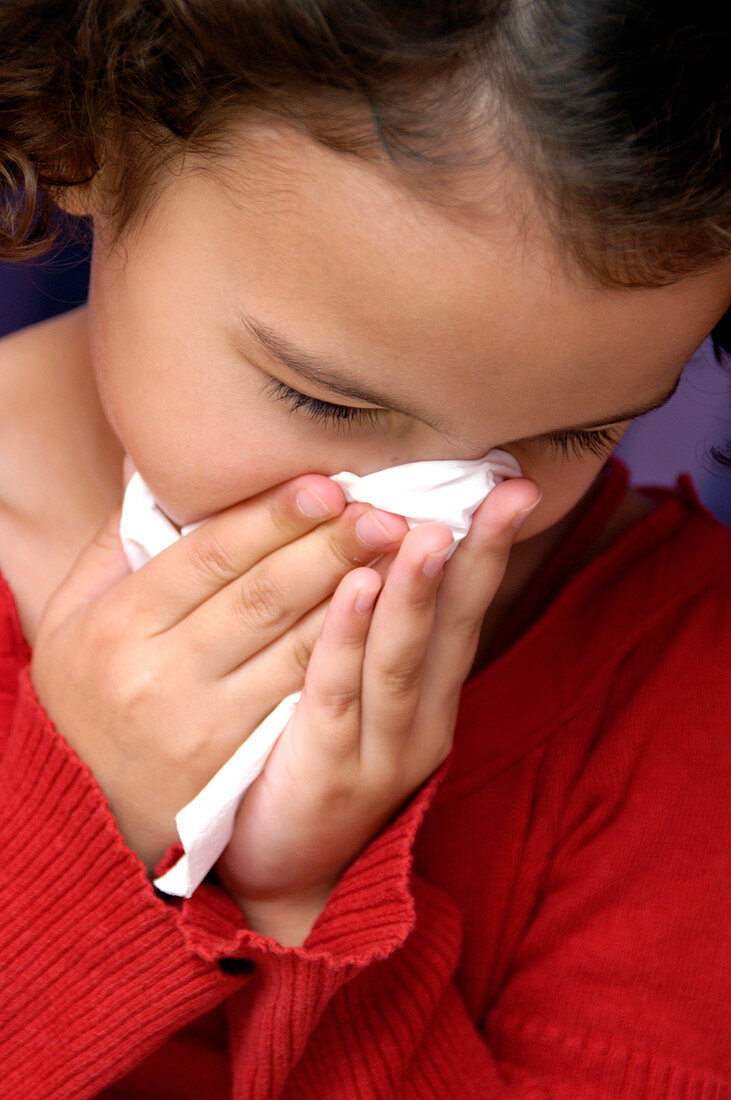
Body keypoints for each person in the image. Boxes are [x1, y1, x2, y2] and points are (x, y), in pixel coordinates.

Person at [0, 2, 728, 1097]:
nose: (425, 522)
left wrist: (307, 897)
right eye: (325, 400)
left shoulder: (678, 685)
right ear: (82, 140)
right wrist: (73, 835)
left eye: (573, 431)